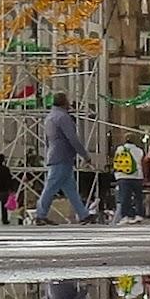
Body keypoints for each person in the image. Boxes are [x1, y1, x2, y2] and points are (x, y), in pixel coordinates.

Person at [34, 93, 93, 225]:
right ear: (64, 103)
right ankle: (40, 214)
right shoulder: (63, 117)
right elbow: (72, 138)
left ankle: (83, 214)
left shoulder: (49, 117)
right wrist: (85, 155)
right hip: (63, 156)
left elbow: (47, 140)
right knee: (51, 186)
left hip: (55, 154)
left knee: (71, 189)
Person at [111, 133, 146, 223]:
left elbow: (116, 161)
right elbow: (143, 163)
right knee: (138, 197)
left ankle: (126, 216)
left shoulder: (120, 149)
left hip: (123, 176)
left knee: (125, 197)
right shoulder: (139, 150)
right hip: (137, 176)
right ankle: (139, 215)